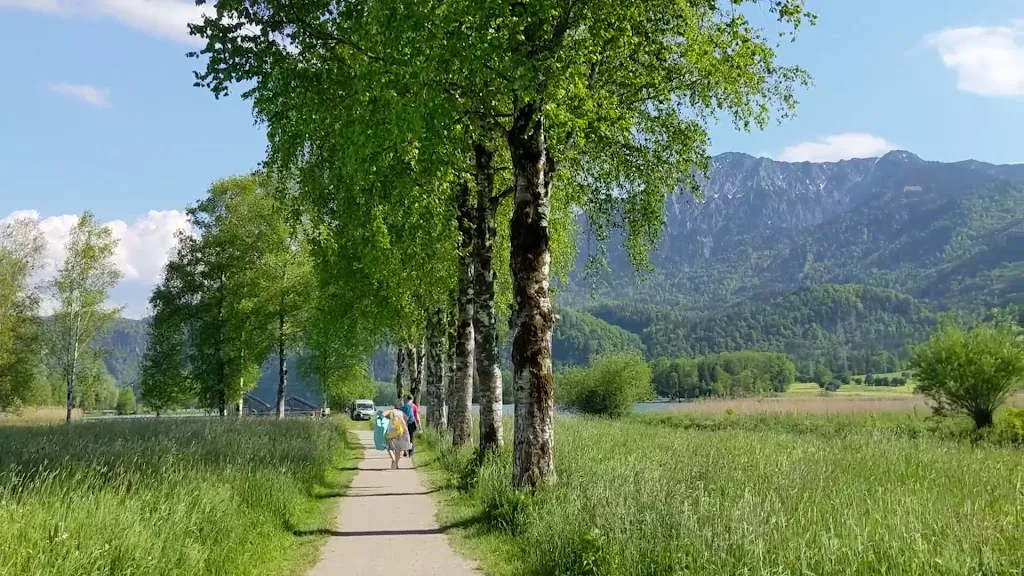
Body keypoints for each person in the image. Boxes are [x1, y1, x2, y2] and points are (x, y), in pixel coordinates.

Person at [383, 402, 411, 469]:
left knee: (389, 447)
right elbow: (407, 419)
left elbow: (383, 414)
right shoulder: (402, 413)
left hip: (392, 431)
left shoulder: (392, 411)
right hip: (401, 431)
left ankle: (393, 460)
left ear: (394, 406)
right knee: (398, 449)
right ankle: (396, 464)